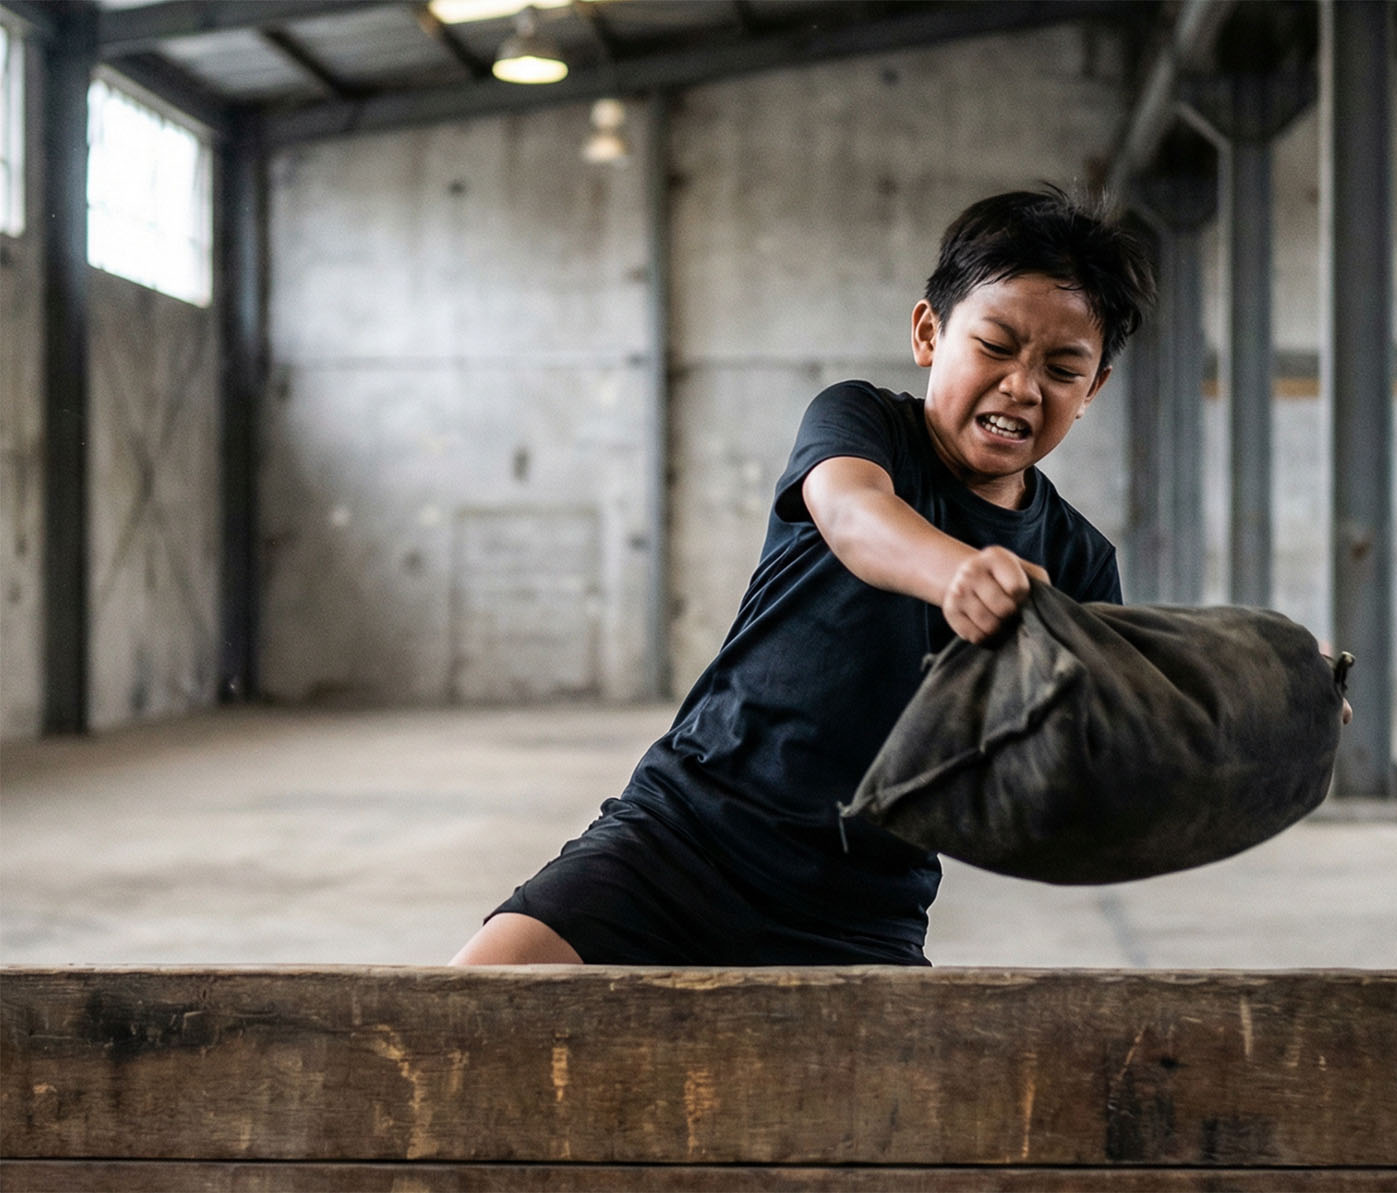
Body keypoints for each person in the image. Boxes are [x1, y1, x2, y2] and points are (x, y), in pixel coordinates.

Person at [450, 187, 1156, 966]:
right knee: (466, 1001)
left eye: (1061, 368)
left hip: (864, 906)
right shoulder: (862, 424)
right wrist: (960, 572)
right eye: (996, 345)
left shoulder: (1079, 562)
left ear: (1092, 390)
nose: (1022, 385)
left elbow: (1083, 761)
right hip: (680, 839)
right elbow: (853, 515)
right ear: (929, 332)